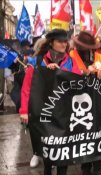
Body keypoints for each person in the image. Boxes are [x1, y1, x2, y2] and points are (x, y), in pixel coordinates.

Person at [19, 29, 80, 175]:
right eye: (60, 41)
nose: (64, 44)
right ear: (51, 42)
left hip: (65, 113)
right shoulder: (37, 61)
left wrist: (61, 73)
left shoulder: (71, 61)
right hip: (43, 112)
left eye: (65, 41)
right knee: (48, 149)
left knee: (64, 152)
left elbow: (78, 83)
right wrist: (24, 111)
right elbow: (27, 88)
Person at [70, 31, 101, 175]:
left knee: (98, 135)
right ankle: (85, 166)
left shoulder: (99, 57)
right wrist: (84, 73)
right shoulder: (71, 56)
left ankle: (98, 167)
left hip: (97, 102)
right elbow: (67, 75)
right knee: (83, 136)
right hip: (78, 102)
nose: (87, 49)